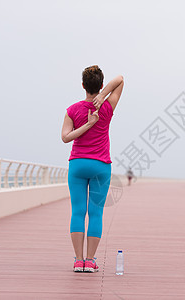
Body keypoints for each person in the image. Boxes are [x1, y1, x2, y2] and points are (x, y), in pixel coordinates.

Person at [61, 65, 124, 272]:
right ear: (101, 85)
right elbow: (121, 79)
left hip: (78, 164)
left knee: (78, 212)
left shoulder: (72, 110)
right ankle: (90, 260)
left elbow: (65, 138)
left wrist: (85, 125)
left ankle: (78, 261)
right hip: (100, 166)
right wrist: (103, 96)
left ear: (82, 86)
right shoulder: (106, 108)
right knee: (95, 214)